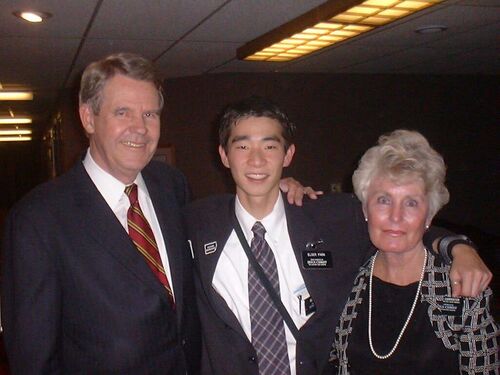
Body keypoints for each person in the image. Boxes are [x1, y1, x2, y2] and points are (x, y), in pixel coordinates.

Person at [184, 97, 491, 375]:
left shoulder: (332, 219)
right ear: (224, 155)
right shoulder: (198, 222)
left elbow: (399, 227)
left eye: (269, 146)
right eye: (242, 146)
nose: (256, 160)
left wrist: (458, 247)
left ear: (288, 154)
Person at [1, 53, 201, 374]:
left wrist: (278, 197)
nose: (140, 128)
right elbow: (33, 358)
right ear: (88, 118)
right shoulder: (38, 220)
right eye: (123, 112)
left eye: (150, 113)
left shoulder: (172, 187)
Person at [329, 130, 499, 374]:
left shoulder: (461, 285)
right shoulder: (348, 279)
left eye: (411, 203)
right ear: (365, 209)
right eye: (383, 200)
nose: (395, 217)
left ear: (429, 215)